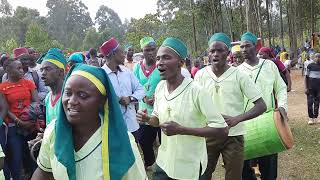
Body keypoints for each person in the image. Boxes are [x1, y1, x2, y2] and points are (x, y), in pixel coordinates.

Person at [31, 64, 147, 180]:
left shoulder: (122, 141)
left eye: (82, 95)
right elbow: (44, 172)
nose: (72, 101)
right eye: (68, 93)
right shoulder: (54, 131)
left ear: (102, 101)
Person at [137, 37, 229, 180]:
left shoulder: (196, 91)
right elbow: (157, 120)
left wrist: (182, 130)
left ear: (181, 62)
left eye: (166, 57)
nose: (160, 62)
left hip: (189, 165)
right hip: (164, 162)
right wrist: (147, 119)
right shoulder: (160, 87)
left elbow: (222, 130)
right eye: (158, 58)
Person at [194, 33, 266, 180]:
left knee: (234, 176)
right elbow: (194, 104)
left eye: (220, 50)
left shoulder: (239, 75)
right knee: (202, 175)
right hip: (208, 134)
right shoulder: (200, 75)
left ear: (228, 53)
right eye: (212, 51)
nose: (215, 54)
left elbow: (261, 106)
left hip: (233, 136)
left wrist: (236, 119)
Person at [238, 32, 288, 180]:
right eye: (242, 47)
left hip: (268, 123)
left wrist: (283, 107)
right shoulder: (237, 71)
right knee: (245, 168)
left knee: (269, 168)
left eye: (247, 45)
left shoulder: (269, 66)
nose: (244, 49)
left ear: (256, 46)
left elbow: (280, 87)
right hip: (246, 124)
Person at [0, 58, 40, 180]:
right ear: (8, 70)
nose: (22, 70)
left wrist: (29, 120)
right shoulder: (3, 87)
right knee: (16, 158)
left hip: (30, 124)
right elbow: (5, 108)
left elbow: (36, 101)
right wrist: (19, 121)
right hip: (13, 127)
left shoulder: (28, 83)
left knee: (33, 154)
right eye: (18, 68)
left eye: (21, 68)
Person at [100, 37, 145, 140]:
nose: (124, 55)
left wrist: (130, 98)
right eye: (121, 52)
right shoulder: (101, 75)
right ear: (113, 54)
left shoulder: (127, 72)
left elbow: (141, 90)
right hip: (112, 129)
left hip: (132, 125)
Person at [133, 36, 161, 169]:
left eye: (153, 49)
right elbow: (135, 85)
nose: (150, 52)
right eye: (147, 50)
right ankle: (150, 162)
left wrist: (157, 97)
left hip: (162, 109)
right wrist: (144, 97)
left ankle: (164, 163)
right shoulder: (137, 68)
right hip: (144, 111)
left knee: (164, 139)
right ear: (142, 51)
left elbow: (168, 82)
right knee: (144, 140)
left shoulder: (161, 65)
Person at [38, 48, 67, 126]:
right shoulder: (48, 98)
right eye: (41, 70)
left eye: (47, 69)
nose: (43, 73)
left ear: (60, 72)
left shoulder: (68, 97)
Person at [305, 53, 320, 125]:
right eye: (316, 57)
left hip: (319, 89)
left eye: (319, 57)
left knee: (317, 103)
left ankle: (316, 117)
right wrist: (306, 88)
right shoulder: (310, 66)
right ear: (314, 58)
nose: (318, 58)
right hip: (310, 88)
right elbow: (306, 77)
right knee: (310, 103)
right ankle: (310, 118)